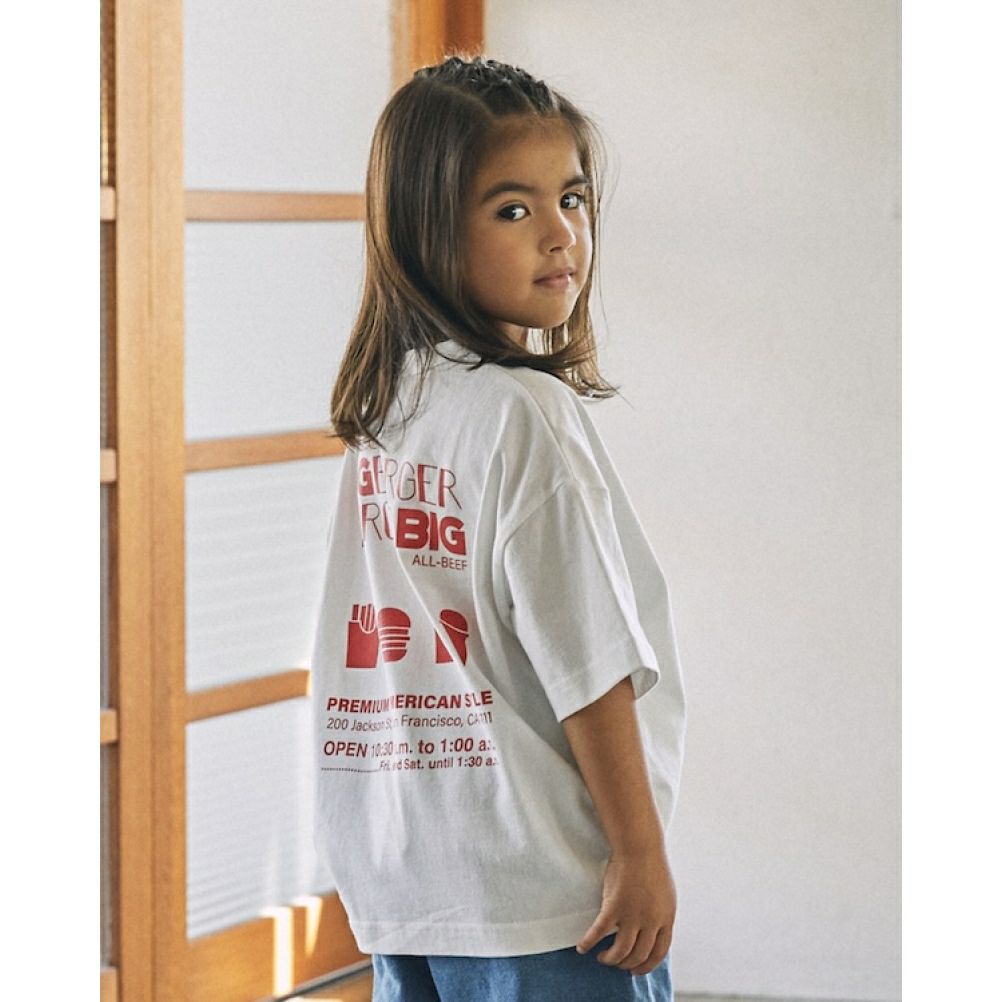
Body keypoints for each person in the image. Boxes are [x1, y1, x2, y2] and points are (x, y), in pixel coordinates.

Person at [310, 54, 686, 1002]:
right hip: (542, 890)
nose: (562, 235)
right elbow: (588, 658)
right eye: (513, 210)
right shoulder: (523, 414)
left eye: (573, 198)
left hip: (412, 880)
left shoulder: (393, 404)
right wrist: (640, 854)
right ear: (427, 231)